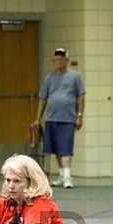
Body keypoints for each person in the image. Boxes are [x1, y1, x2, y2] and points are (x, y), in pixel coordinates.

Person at [32, 47, 86, 189]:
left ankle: (68, 177)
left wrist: (79, 116)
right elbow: (42, 99)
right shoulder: (49, 78)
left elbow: (81, 96)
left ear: (67, 60)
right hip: (51, 118)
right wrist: (38, 119)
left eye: (62, 59)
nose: (59, 61)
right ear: (53, 61)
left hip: (68, 118)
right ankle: (62, 175)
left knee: (66, 149)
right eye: (57, 59)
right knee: (55, 149)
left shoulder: (75, 77)